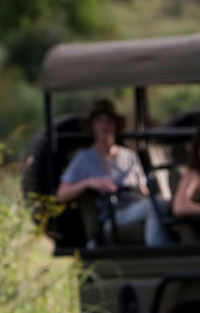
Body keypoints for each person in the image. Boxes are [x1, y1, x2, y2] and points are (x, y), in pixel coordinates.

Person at [56, 98, 167, 247]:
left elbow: (143, 189)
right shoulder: (83, 158)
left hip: (137, 203)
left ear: (115, 125)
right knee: (158, 205)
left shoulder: (130, 156)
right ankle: (158, 253)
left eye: (108, 121)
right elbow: (61, 194)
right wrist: (88, 182)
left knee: (164, 203)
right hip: (113, 212)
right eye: (99, 121)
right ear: (92, 126)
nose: (104, 125)